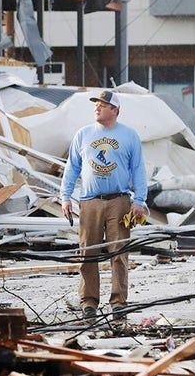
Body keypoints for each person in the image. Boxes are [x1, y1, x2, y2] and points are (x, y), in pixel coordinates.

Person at [60, 89, 148, 323]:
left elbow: (138, 169)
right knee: (87, 253)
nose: (97, 107)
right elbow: (72, 168)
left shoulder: (129, 136)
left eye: (103, 104)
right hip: (90, 201)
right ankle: (89, 302)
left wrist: (139, 201)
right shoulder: (83, 134)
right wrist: (65, 196)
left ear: (115, 110)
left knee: (118, 253)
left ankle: (118, 303)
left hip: (119, 201)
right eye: (96, 104)